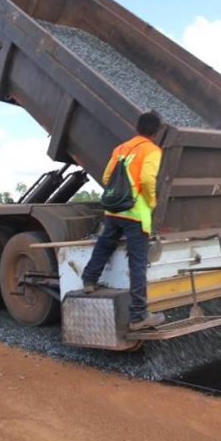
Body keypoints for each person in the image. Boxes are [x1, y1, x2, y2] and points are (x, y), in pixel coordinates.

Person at [82, 110, 165, 331]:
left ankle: (89, 280)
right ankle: (138, 316)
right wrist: (151, 200)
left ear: (137, 127)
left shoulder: (121, 148)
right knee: (137, 262)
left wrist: (119, 195)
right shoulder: (152, 150)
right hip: (136, 214)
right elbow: (148, 179)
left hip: (114, 211)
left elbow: (107, 177)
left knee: (105, 243)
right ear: (156, 132)